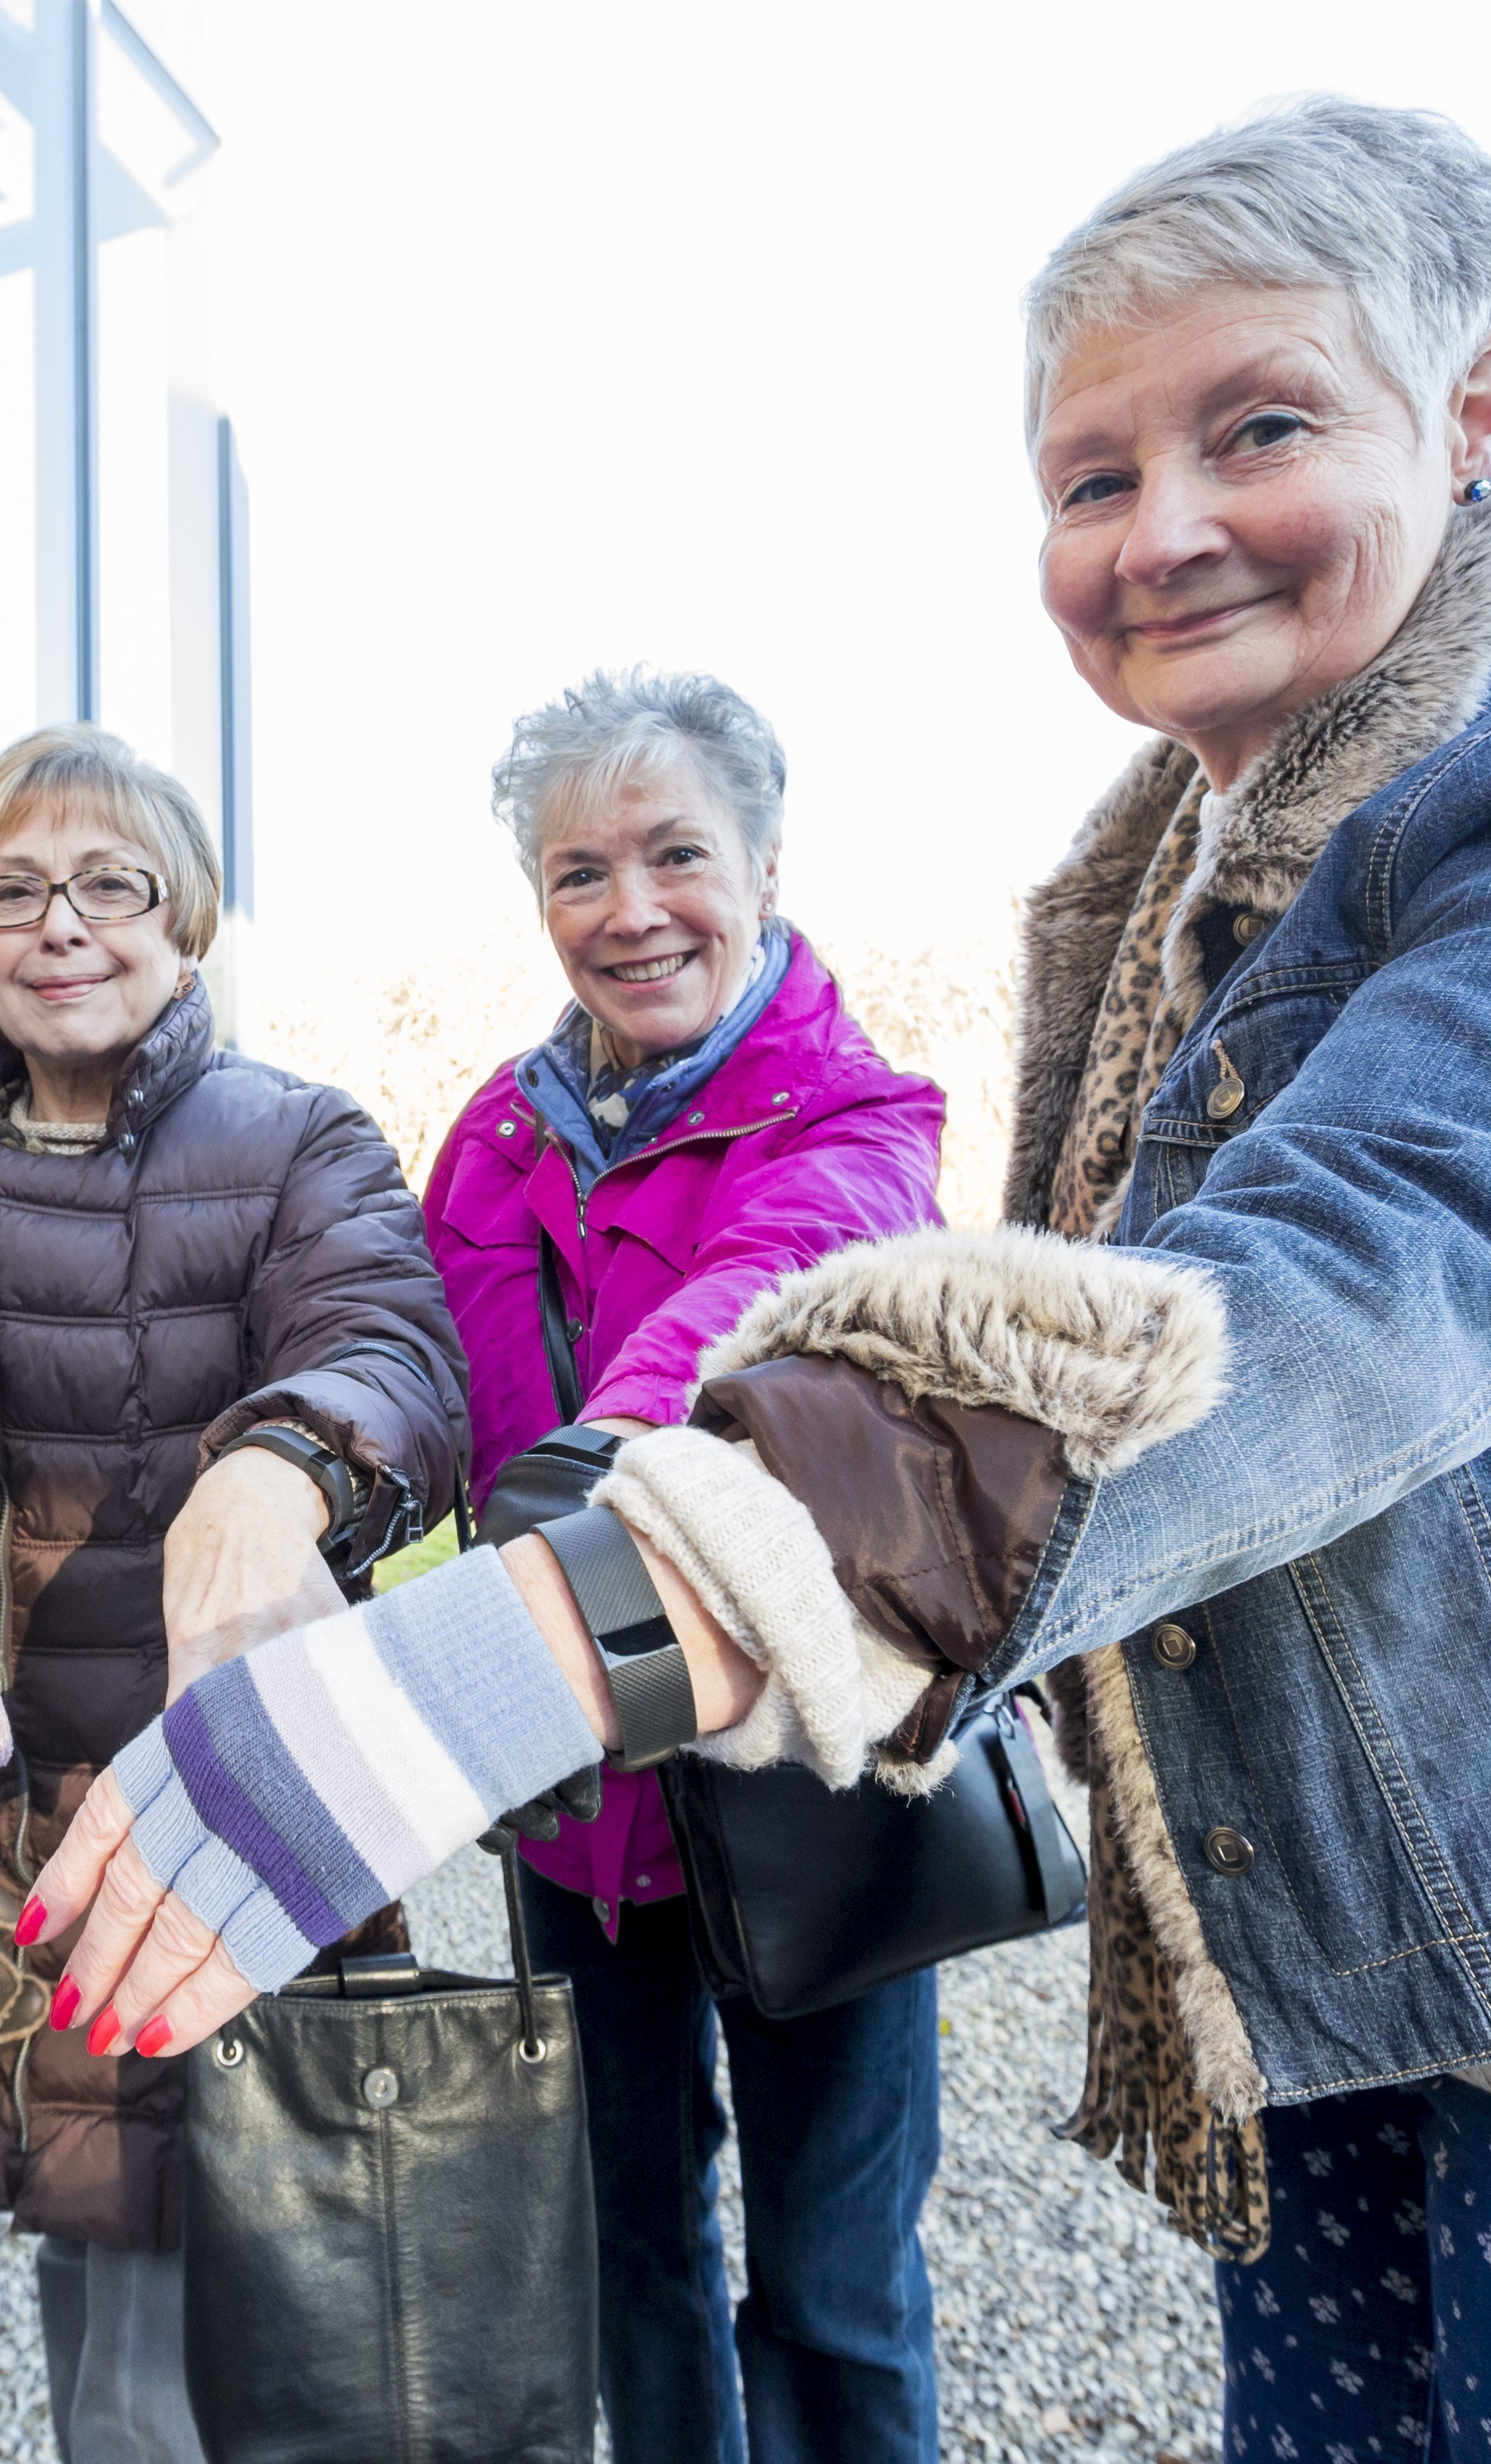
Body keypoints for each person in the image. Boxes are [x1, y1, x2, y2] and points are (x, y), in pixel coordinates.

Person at [20, 97, 1491, 2464]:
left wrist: (524, 1643)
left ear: (1474, 417)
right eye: (1085, 477)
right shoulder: (1161, 919)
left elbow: (1342, 1300)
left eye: (1259, 429)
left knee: (822, 2275)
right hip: (1378, 2004)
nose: (1161, 532)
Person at [0, 723, 467, 2464]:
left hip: (238, 1799)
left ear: (185, 916)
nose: (63, 923)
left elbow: (390, 1343)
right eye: (14, 889)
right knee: (91, 2240)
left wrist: (280, 1471)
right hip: (10, 1826)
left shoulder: (294, 1140)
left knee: (254, 2282)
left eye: (110, 884)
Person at [422, 670, 952, 2463]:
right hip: (578, 1797)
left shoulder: (861, 1128)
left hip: (803, 1781)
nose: (630, 912)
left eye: (675, 856)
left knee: (835, 2284)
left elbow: (770, 1296)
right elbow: (415, 1375)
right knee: (630, 2244)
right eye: (581, 871)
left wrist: (601, 1469)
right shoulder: (494, 1148)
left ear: (768, 861)